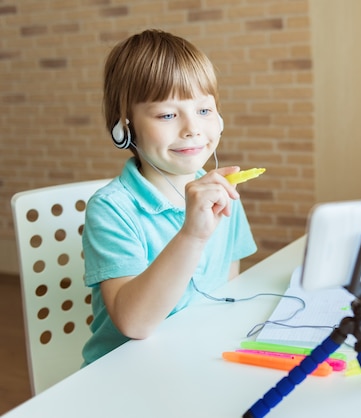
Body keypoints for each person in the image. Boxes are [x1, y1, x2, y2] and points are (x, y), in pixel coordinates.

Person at [81, 29, 257, 365]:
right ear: (125, 127)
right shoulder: (111, 209)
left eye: (204, 110)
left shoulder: (221, 191)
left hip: (196, 357)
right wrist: (193, 234)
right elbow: (135, 323)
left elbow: (227, 290)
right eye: (167, 115)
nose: (192, 128)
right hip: (124, 372)